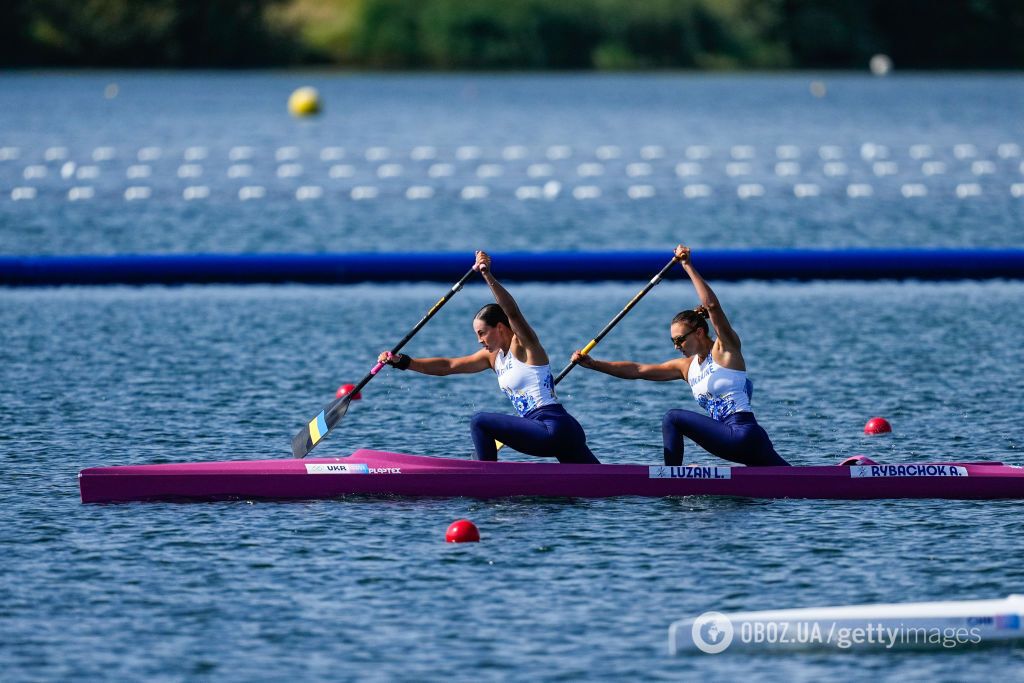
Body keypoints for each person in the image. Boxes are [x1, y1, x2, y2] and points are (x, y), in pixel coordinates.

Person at [572, 244, 789, 467]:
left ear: (699, 332)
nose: (677, 346)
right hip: (742, 440)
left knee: (673, 418)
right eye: (673, 341)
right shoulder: (686, 367)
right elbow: (638, 371)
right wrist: (593, 364)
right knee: (794, 482)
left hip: (742, 433)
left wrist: (687, 265)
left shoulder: (726, 350)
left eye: (680, 340)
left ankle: (672, 476)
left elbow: (712, 306)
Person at [379, 250, 600, 464]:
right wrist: (403, 362)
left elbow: (512, 312)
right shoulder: (492, 358)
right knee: (601, 485)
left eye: (482, 333)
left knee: (480, 421)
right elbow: (448, 365)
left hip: (553, 427)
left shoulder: (524, 345)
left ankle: (485, 477)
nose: (479, 340)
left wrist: (486, 274)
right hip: (559, 432)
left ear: (501, 327)